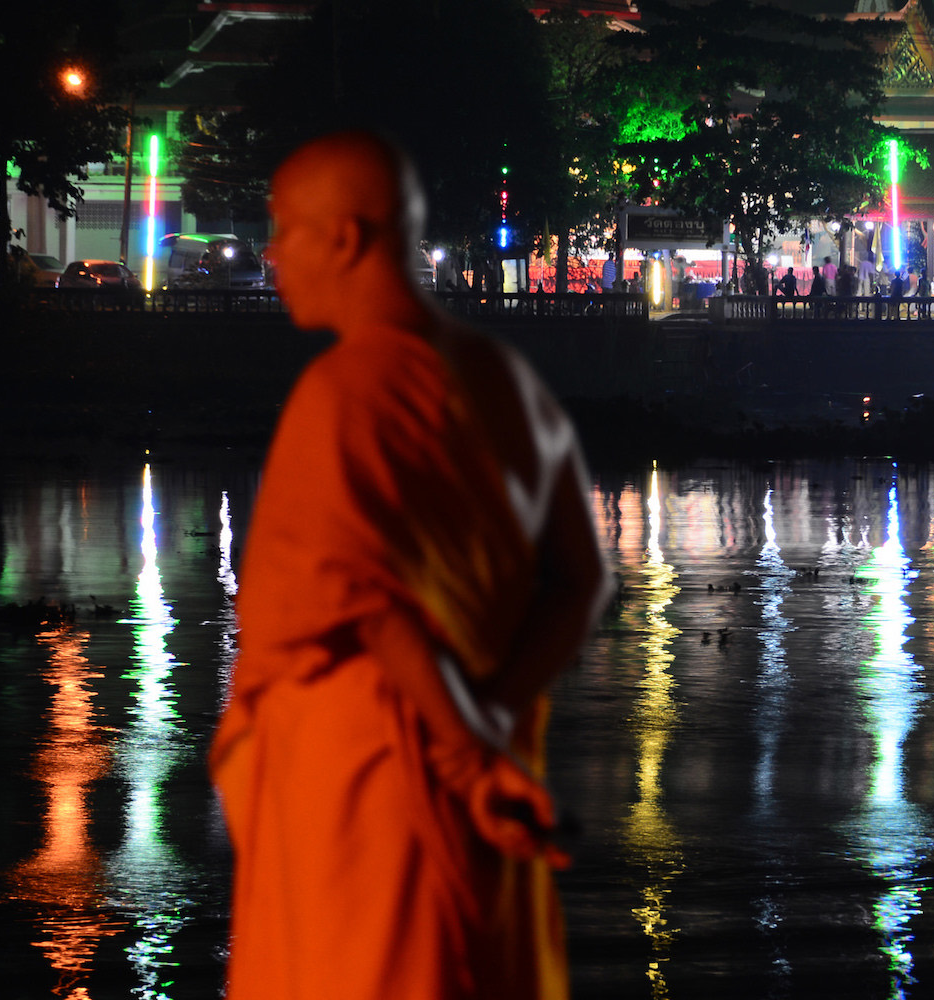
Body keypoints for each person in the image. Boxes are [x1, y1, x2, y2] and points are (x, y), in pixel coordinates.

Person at [210, 131, 610, 1000]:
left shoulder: (346, 393)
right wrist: (494, 719)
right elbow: (581, 583)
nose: (271, 254)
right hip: (479, 792)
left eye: (284, 229)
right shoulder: (505, 381)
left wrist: (461, 759)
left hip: (368, 805)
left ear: (347, 239)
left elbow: (369, 611)